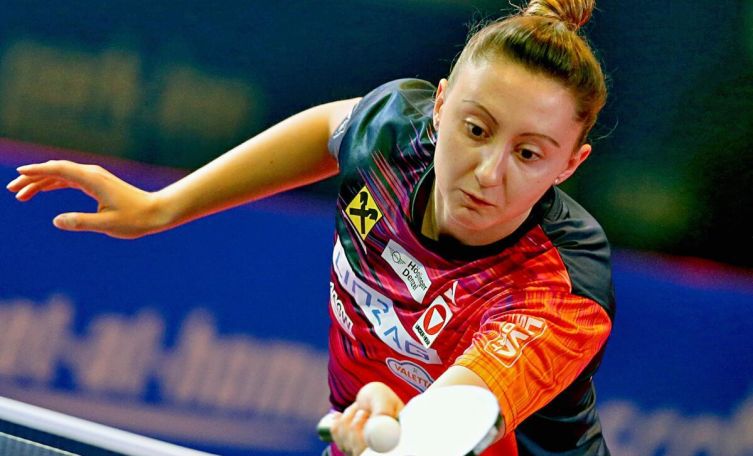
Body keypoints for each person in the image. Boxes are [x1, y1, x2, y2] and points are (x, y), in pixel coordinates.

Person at [7, 0, 615, 454]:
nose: (488, 172)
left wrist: (398, 419)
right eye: (475, 129)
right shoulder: (393, 139)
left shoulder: (560, 289)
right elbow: (332, 127)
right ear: (439, 105)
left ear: (570, 164)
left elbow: (456, 420)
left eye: (528, 154)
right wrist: (159, 208)